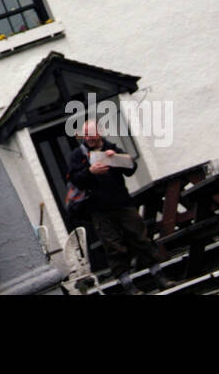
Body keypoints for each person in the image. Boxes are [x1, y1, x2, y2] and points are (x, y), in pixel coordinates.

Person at [66, 119, 169, 294]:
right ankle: (128, 286)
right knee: (113, 246)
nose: (89, 139)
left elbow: (131, 168)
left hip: (122, 203)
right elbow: (74, 179)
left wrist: (118, 159)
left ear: (100, 133)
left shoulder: (110, 148)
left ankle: (159, 276)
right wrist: (90, 172)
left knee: (141, 237)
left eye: (91, 135)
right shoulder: (78, 154)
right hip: (98, 209)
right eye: (86, 136)